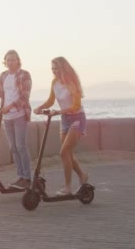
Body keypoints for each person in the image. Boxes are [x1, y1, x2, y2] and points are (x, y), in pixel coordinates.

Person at [34, 56, 89, 195]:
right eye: (52, 69)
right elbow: (51, 100)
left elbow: (76, 106)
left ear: (64, 68)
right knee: (68, 153)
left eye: (57, 68)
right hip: (65, 119)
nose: (55, 71)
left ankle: (67, 188)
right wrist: (40, 107)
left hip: (77, 119)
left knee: (63, 152)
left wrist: (59, 111)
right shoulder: (55, 82)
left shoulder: (72, 83)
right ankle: (82, 175)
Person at [0, 50, 33, 189]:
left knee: (21, 146)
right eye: (8, 60)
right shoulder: (3, 76)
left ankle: (27, 178)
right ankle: (20, 176)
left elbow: (25, 97)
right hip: (6, 117)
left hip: (20, 115)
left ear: (18, 60)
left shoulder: (24, 75)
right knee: (13, 148)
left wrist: (10, 106)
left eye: (13, 59)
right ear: (4, 61)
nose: (10, 62)